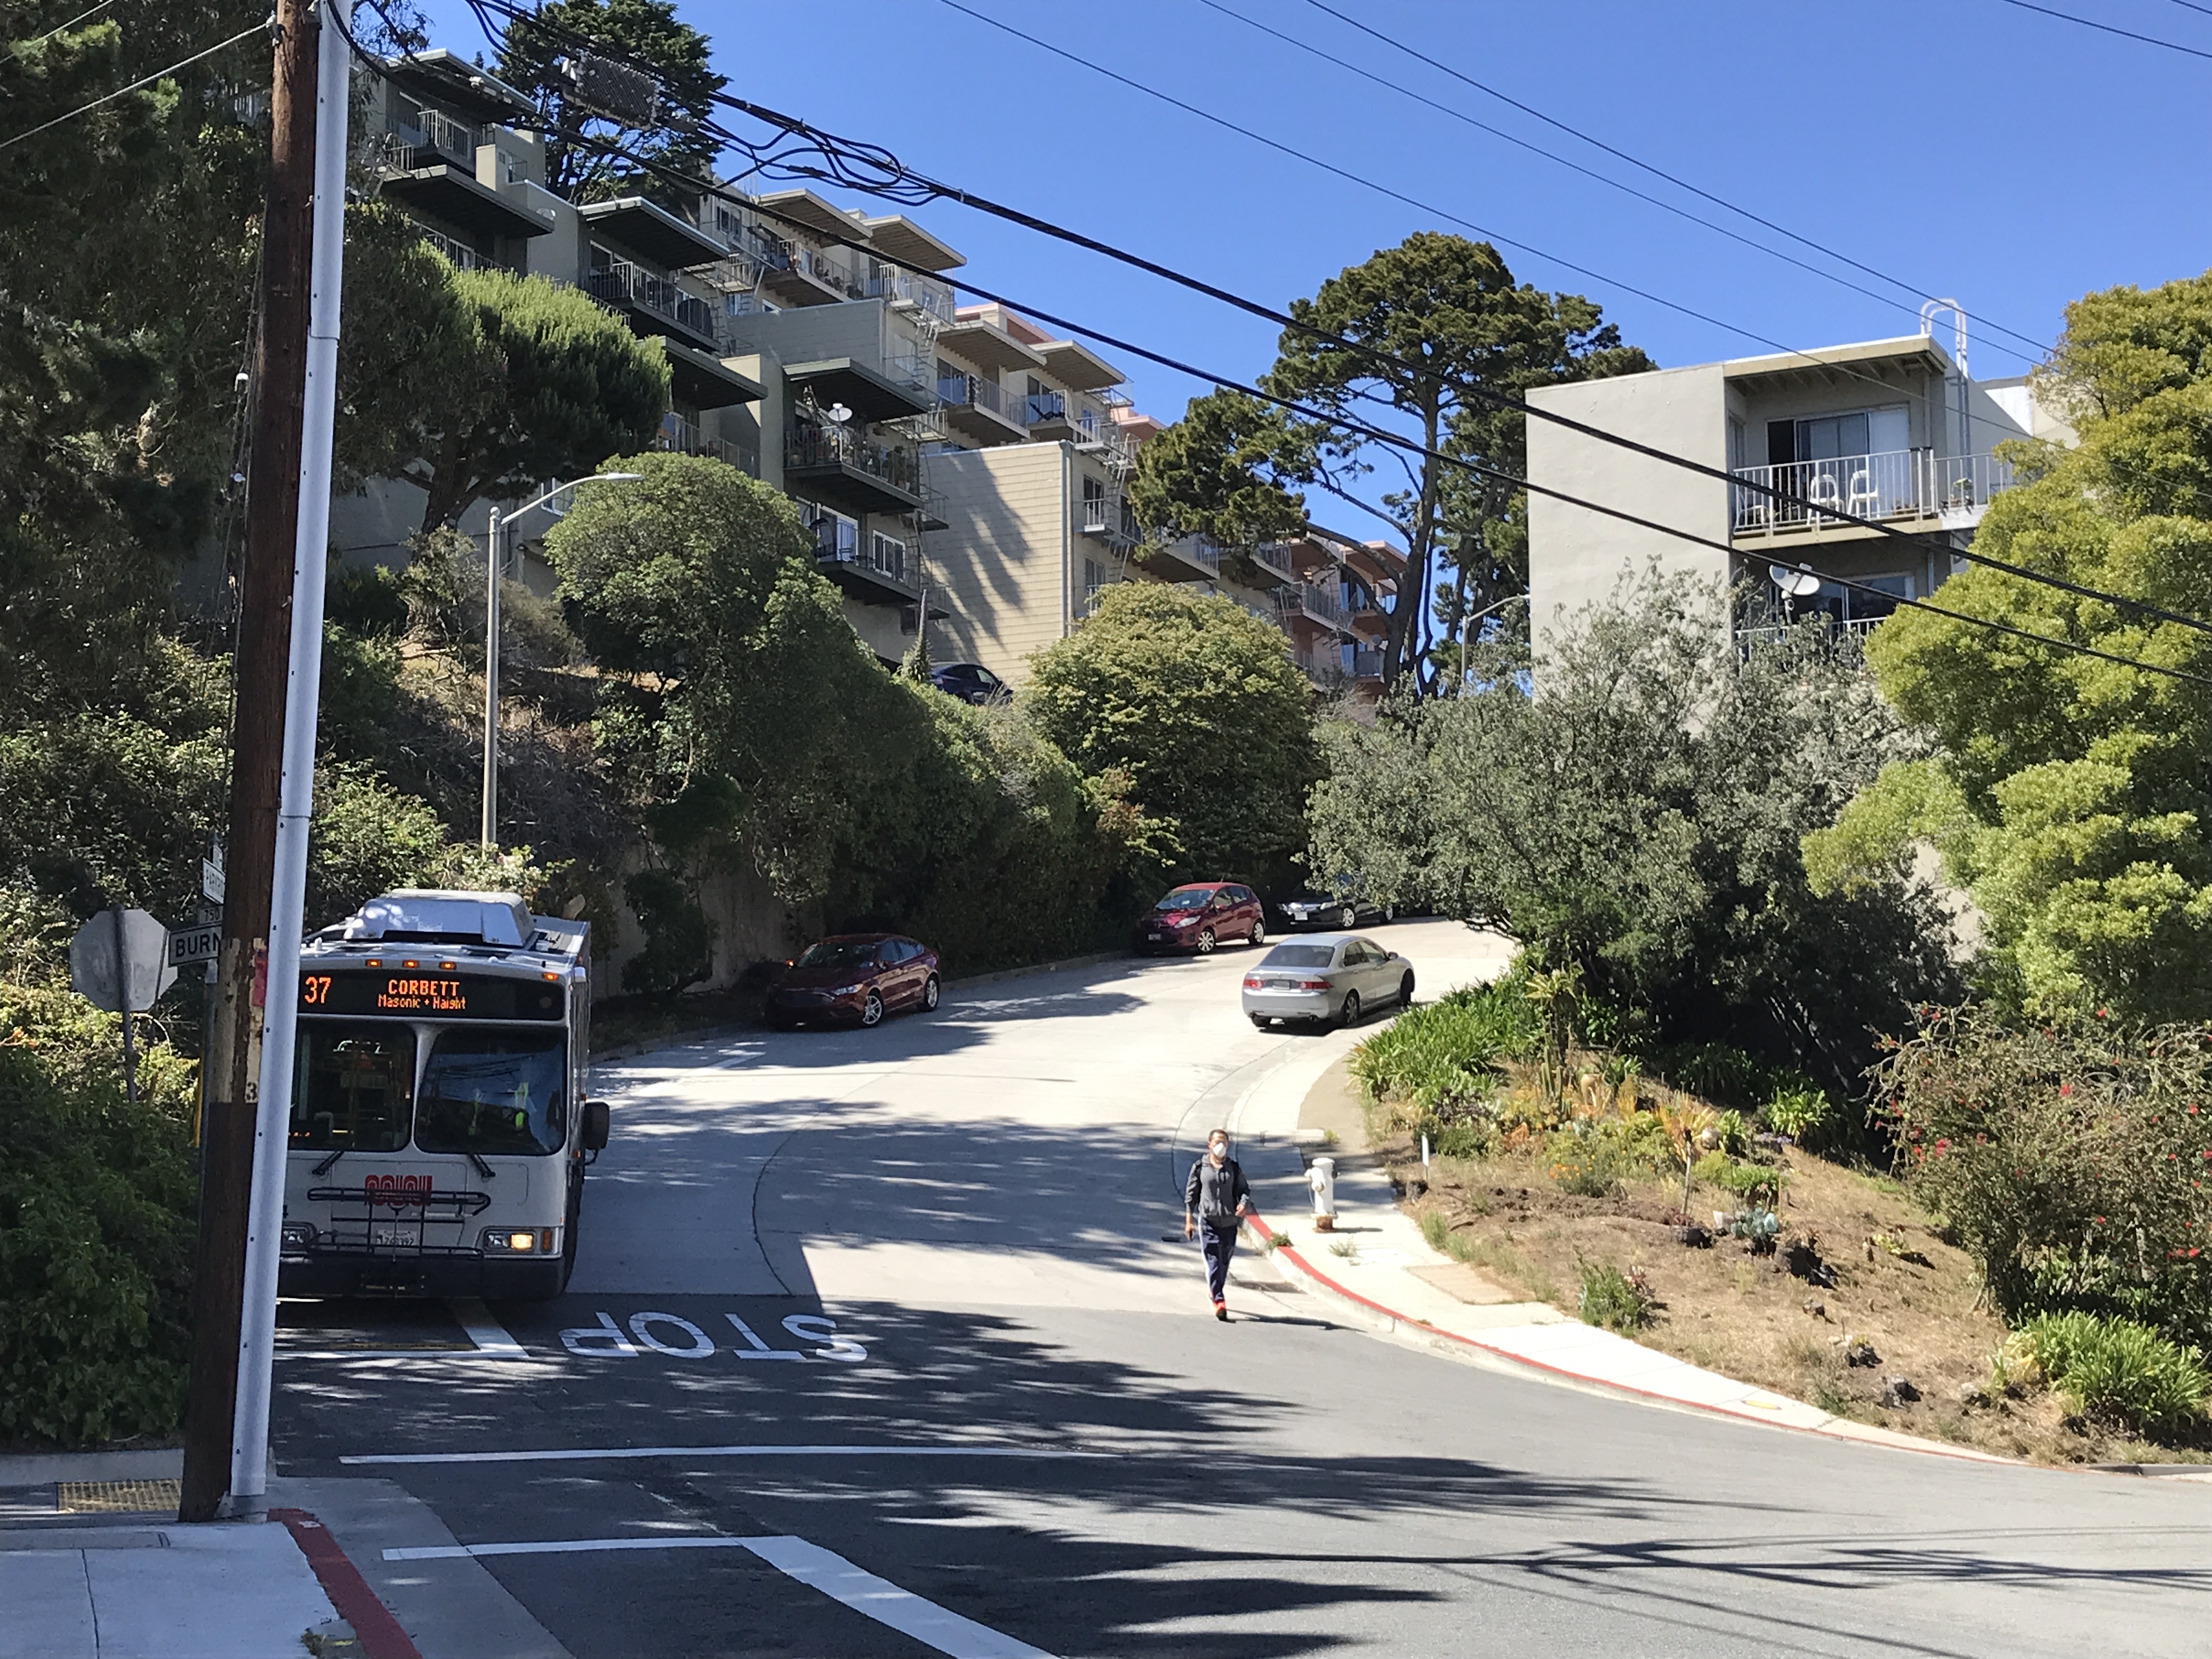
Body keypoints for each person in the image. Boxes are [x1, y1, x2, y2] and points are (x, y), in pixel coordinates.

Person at [1184, 1128, 1251, 1321]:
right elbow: (1191, 1197)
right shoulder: (1200, 1168)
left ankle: (1215, 1292)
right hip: (1208, 1222)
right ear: (1210, 1145)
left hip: (1229, 1222)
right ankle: (1219, 1300)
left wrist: (1243, 1204)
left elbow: (1244, 1190)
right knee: (1213, 1260)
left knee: (1224, 1261)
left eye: (1224, 1142)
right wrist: (1189, 1222)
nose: (1221, 1145)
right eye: (1217, 1142)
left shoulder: (1234, 1168)